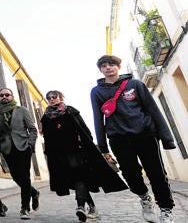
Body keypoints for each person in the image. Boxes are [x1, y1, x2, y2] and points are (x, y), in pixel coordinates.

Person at [91, 55, 177, 223]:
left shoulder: (135, 84)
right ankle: (145, 197)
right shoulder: (97, 91)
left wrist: (167, 138)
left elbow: (153, 110)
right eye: (104, 66)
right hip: (118, 138)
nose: (108, 67)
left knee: (156, 173)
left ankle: (166, 209)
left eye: (111, 64)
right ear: (101, 70)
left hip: (145, 135)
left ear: (118, 67)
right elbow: (97, 119)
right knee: (130, 173)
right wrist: (103, 148)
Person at [41, 90, 128, 222]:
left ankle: (80, 207)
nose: (51, 99)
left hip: (76, 151)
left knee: (78, 177)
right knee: (75, 180)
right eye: (49, 98)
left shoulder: (70, 112)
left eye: (54, 97)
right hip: (59, 155)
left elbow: (84, 130)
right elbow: (47, 138)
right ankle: (92, 207)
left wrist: (85, 143)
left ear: (60, 98)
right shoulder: (46, 117)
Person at [0, 88, 40, 220]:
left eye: (7, 94)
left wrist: (30, 144)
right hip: (7, 149)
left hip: (23, 147)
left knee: (24, 176)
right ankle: (34, 192)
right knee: (15, 176)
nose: (4, 97)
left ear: (12, 96)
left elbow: (32, 129)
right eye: (1, 95)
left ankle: (25, 208)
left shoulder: (22, 110)